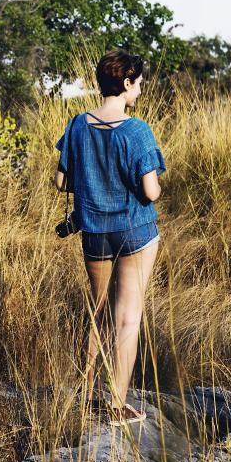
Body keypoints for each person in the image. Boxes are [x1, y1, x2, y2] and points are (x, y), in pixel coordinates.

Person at [54, 50, 166, 425]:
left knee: (96, 312)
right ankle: (116, 405)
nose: (140, 90)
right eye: (138, 83)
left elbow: (61, 182)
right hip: (135, 231)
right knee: (127, 318)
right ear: (127, 83)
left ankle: (85, 397)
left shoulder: (77, 125)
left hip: (94, 231)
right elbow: (150, 192)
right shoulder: (137, 130)